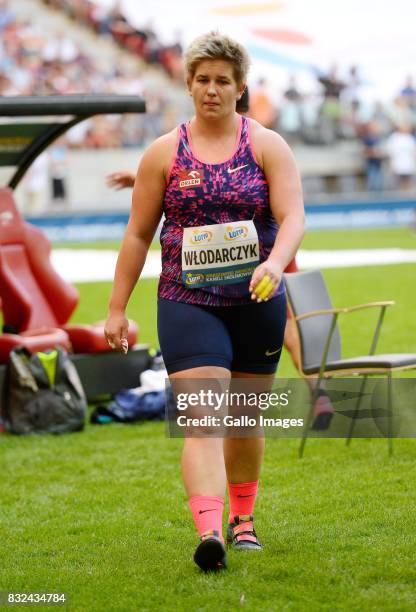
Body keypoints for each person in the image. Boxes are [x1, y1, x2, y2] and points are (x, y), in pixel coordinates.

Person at [104, 31, 304, 572]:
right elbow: (136, 236)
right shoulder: (164, 152)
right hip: (186, 301)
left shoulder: (266, 144)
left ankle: (243, 521)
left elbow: (293, 218)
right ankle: (209, 531)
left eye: (222, 81)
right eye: (202, 80)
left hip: (257, 300)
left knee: (243, 421)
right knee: (203, 419)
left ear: (240, 87)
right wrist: (117, 308)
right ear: (189, 85)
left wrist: (272, 261)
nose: (211, 90)